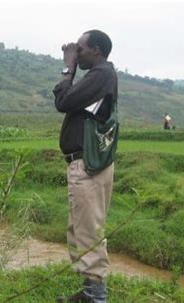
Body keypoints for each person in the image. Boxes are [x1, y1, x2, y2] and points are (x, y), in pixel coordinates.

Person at [53, 30, 118, 303]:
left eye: (80, 48)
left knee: (88, 227)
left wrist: (69, 67)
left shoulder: (102, 74)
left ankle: (96, 296)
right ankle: (89, 291)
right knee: (80, 226)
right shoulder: (99, 75)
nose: (75, 52)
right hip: (86, 163)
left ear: (96, 50)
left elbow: (64, 101)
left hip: (88, 165)